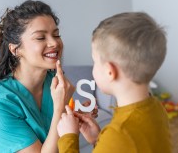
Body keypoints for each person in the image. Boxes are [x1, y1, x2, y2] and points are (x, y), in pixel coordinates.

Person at [57, 12, 172, 152]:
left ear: (110, 72)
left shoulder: (119, 133)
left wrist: (68, 137)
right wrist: (98, 139)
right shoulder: (156, 108)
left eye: (95, 62)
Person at [0, 0, 76, 153]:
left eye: (56, 34)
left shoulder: (52, 82)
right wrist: (60, 108)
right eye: (41, 37)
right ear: (15, 49)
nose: (54, 42)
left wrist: (74, 119)